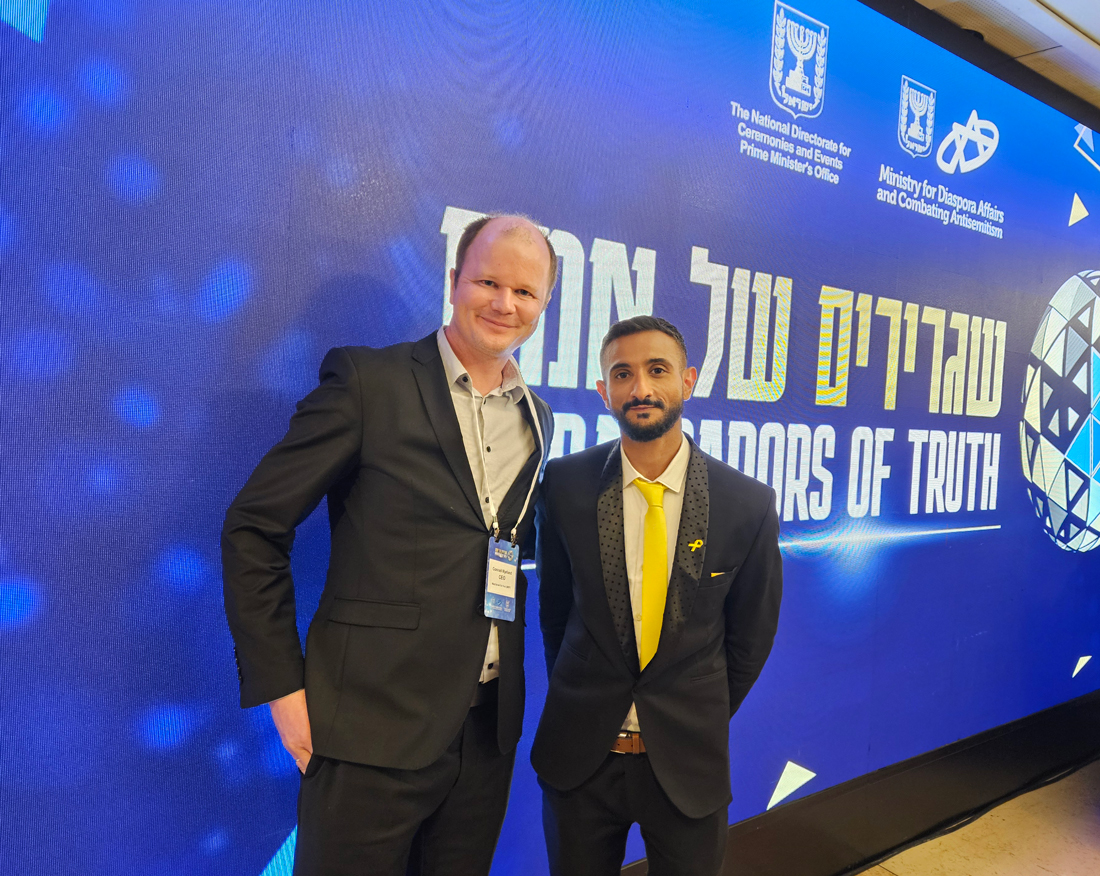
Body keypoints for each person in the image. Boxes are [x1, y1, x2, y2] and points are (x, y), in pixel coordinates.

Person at [222, 214, 557, 876]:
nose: (504, 304)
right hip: (367, 727)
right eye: (488, 282)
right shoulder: (368, 383)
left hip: (484, 735)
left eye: (525, 292)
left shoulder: (536, 417)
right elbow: (254, 526)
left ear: (544, 304)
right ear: (454, 281)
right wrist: (281, 689)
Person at [531, 315, 783, 876]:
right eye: (623, 374)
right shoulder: (565, 486)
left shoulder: (746, 503)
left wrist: (685, 711)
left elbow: (751, 638)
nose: (640, 388)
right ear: (604, 391)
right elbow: (555, 616)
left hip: (687, 766)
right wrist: (585, 699)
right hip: (579, 762)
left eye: (657, 370)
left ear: (687, 381)